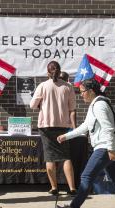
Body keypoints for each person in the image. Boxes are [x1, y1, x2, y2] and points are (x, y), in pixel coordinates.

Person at [55, 78, 115, 208]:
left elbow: (108, 128)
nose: (81, 95)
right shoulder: (94, 105)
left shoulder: (99, 105)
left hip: (104, 147)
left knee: (86, 176)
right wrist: (66, 136)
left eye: (82, 91)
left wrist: (110, 149)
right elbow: (85, 126)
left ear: (91, 91)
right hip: (106, 147)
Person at [30, 61, 77, 196]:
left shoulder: (43, 86)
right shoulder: (68, 86)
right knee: (66, 157)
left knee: (50, 157)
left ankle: (54, 188)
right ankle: (72, 188)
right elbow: (72, 107)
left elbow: (33, 105)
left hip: (46, 126)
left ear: (47, 72)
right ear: (59, 71)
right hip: (63, 125)